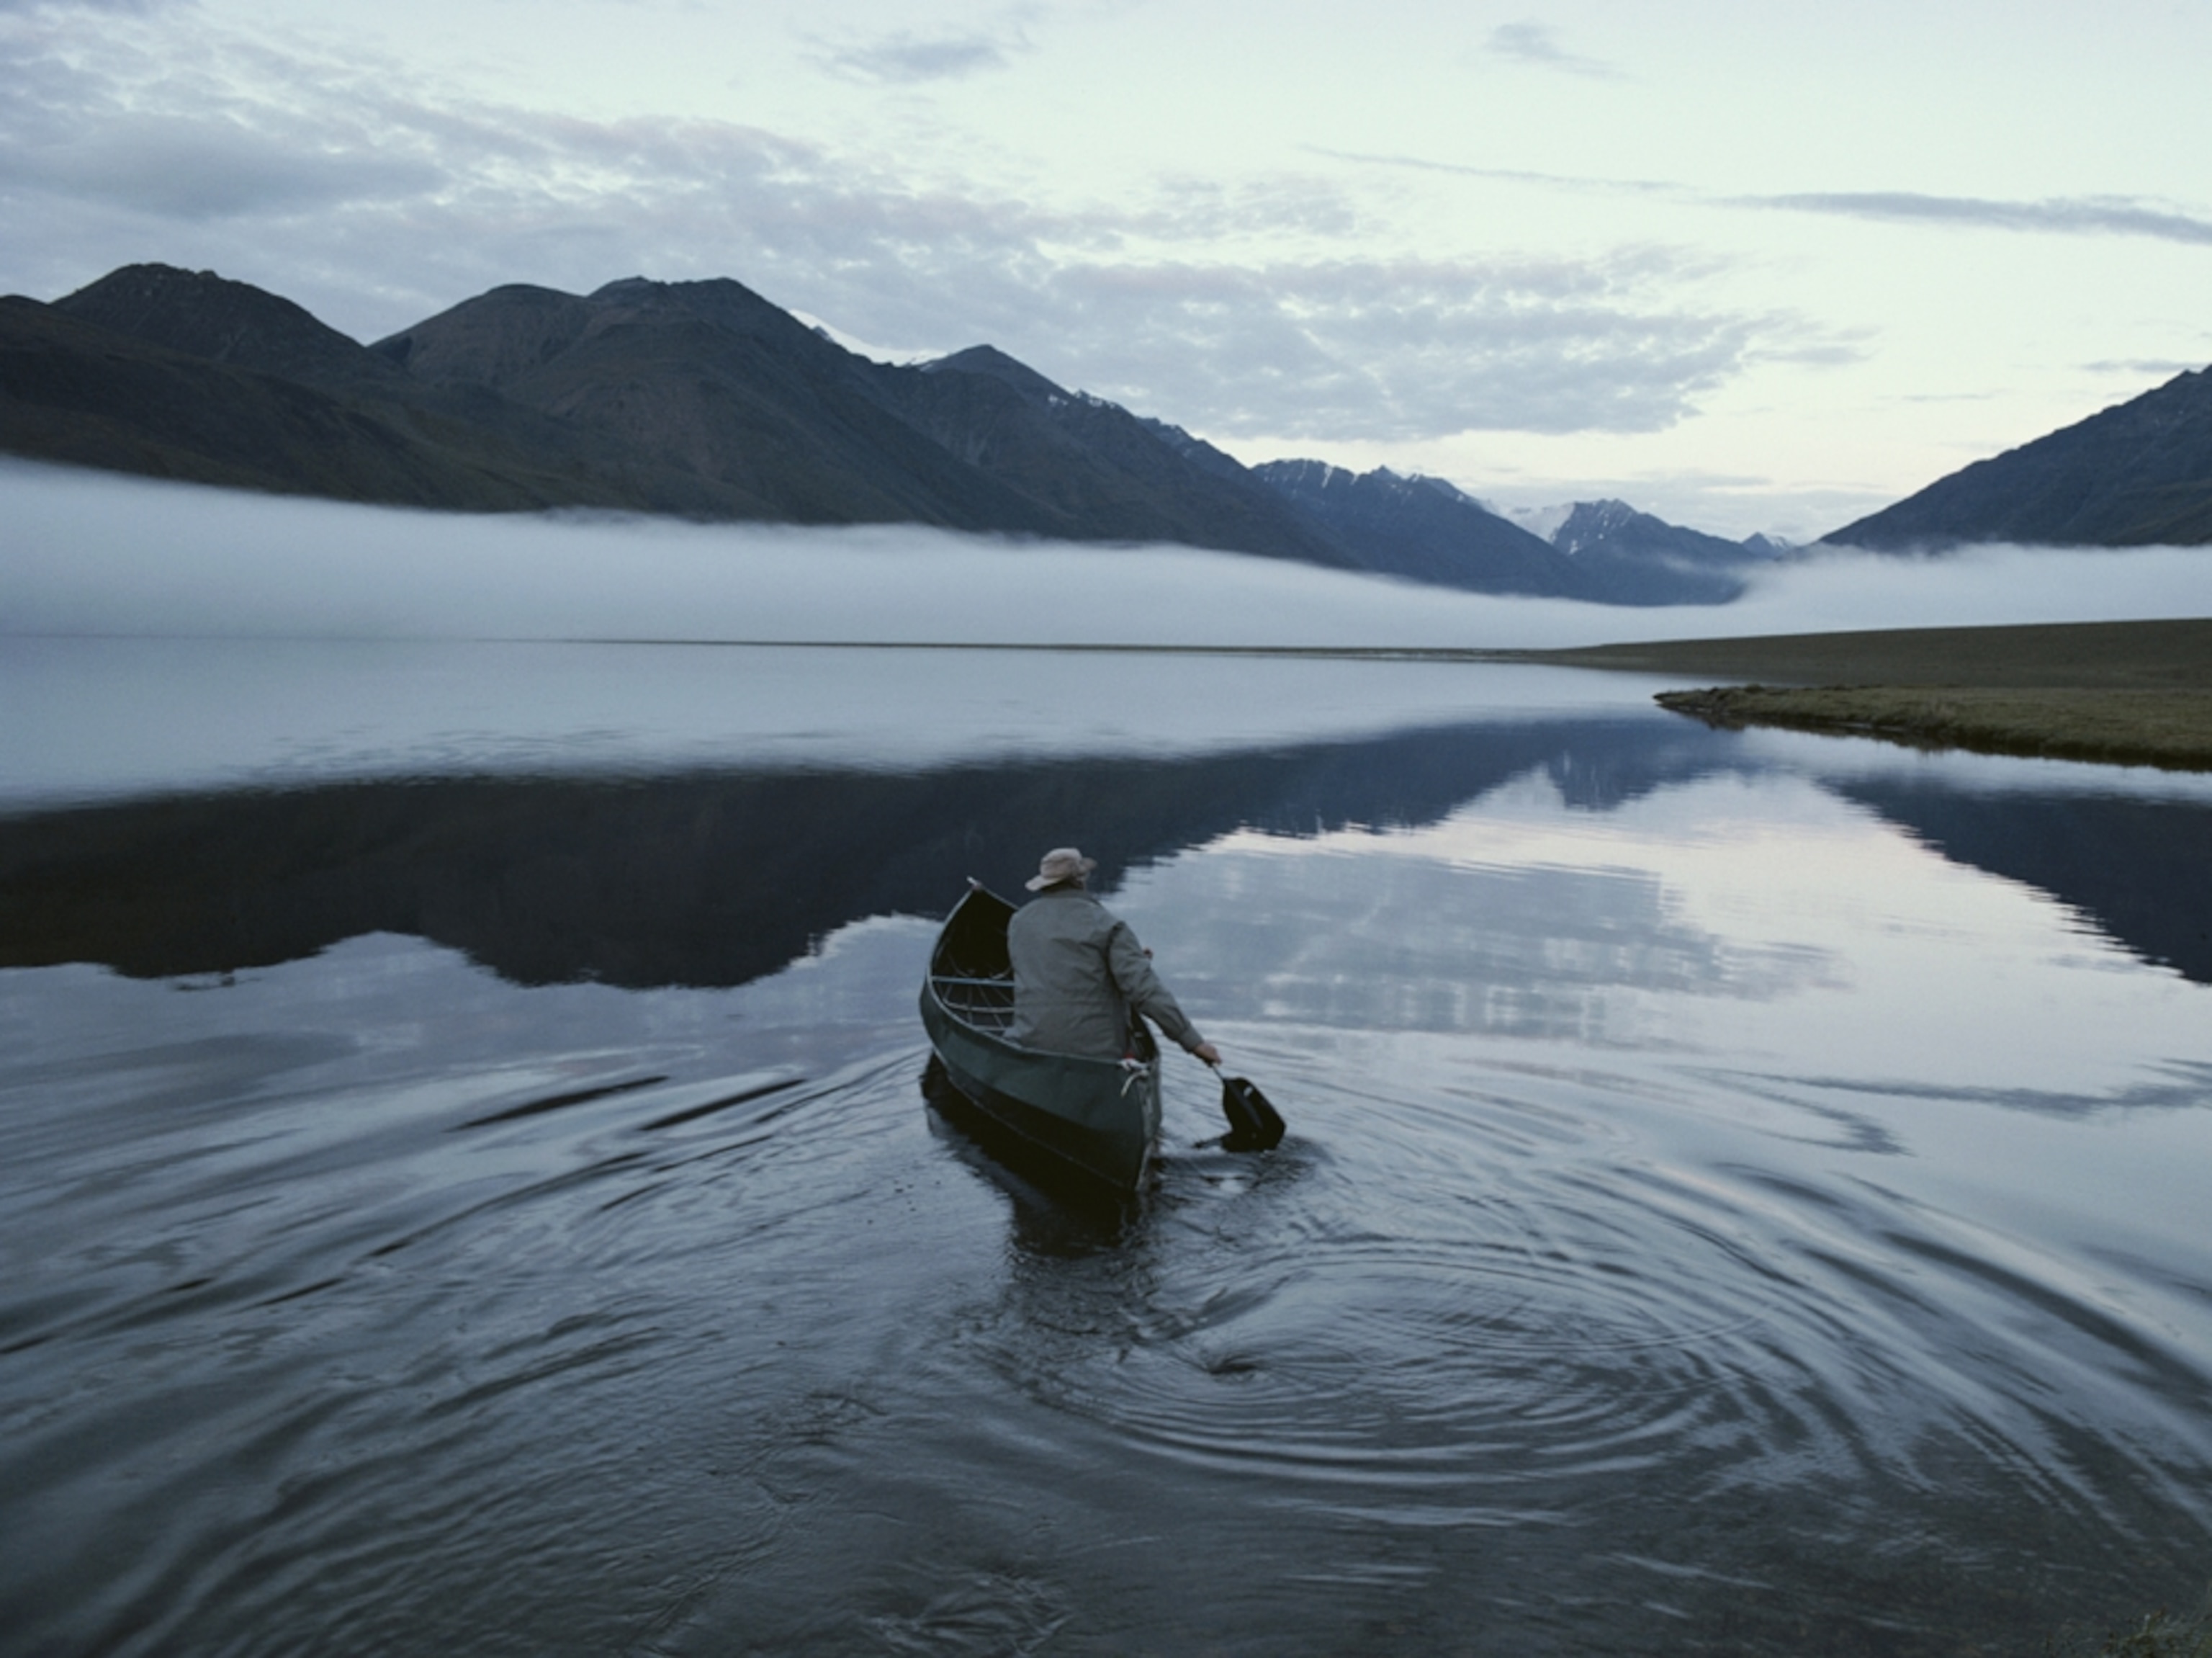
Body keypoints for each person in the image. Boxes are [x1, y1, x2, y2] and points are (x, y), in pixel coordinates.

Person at [1005, 847, 1221, 1067]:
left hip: (1030, 1043)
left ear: (1045, 883)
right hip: (1098, 1053)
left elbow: (1061, 966)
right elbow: (1145, 990)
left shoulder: (1018, 922)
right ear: (1081, 879)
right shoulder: (1107, 925)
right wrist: (1193, 1042)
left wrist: (1132, 959)